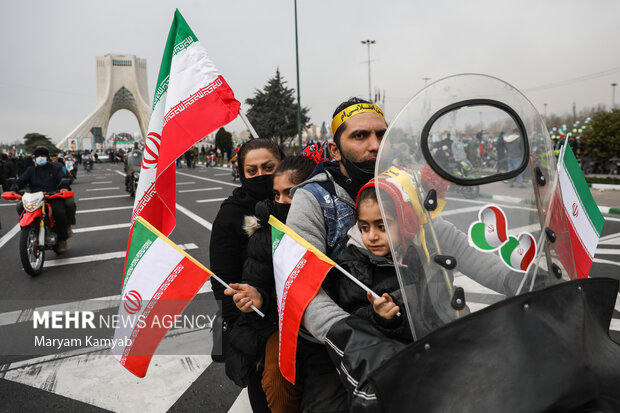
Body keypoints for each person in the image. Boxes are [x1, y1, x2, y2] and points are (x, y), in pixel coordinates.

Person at [285, 97, 387, 412]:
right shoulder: (313, 197)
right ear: (334, 150)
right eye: (360, 136)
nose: (375, 145)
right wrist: (348, 334)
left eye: (382, 134)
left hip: (401, 327)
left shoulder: (400, 188)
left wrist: (516, 279)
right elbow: (300, 282)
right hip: (338, 343)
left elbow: (449, 245)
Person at [224, 154, 316, 413]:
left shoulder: (332, 224)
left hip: (322, 326)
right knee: (278, 380)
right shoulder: (265, 233)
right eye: (277, 195)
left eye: (291, 193)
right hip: (278, 323)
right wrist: (257, 297)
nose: (283, 202)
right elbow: (256, 282)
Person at [209, 138, 284, 413]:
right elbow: (222, 281)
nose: (261, 175)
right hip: (255, 321)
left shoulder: (293, 200)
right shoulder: (230, 215)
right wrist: (245, 331)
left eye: (268, 167)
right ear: (242, 174)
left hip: (295, 316)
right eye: (252, 171)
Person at [335, 182, 412, 343]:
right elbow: (354, 318)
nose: (372, 236)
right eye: (364, 227)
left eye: (382, 226)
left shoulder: (419, 253)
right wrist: (381, 317)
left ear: (404, 222)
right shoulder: (353, 269)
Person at [10, 146, 71, 252]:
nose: (40, 158)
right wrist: (13, 190)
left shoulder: (55, 169)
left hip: (52, 197)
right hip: (34, 199)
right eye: (38, 156)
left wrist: (63, 187)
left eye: (42, 155)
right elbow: (20, 182)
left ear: (47, 157)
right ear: (35, 158)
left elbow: (63, 179)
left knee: (59, 212)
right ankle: (27, 230)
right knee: (20, 207)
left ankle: (62, 238)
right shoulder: (30, 170)